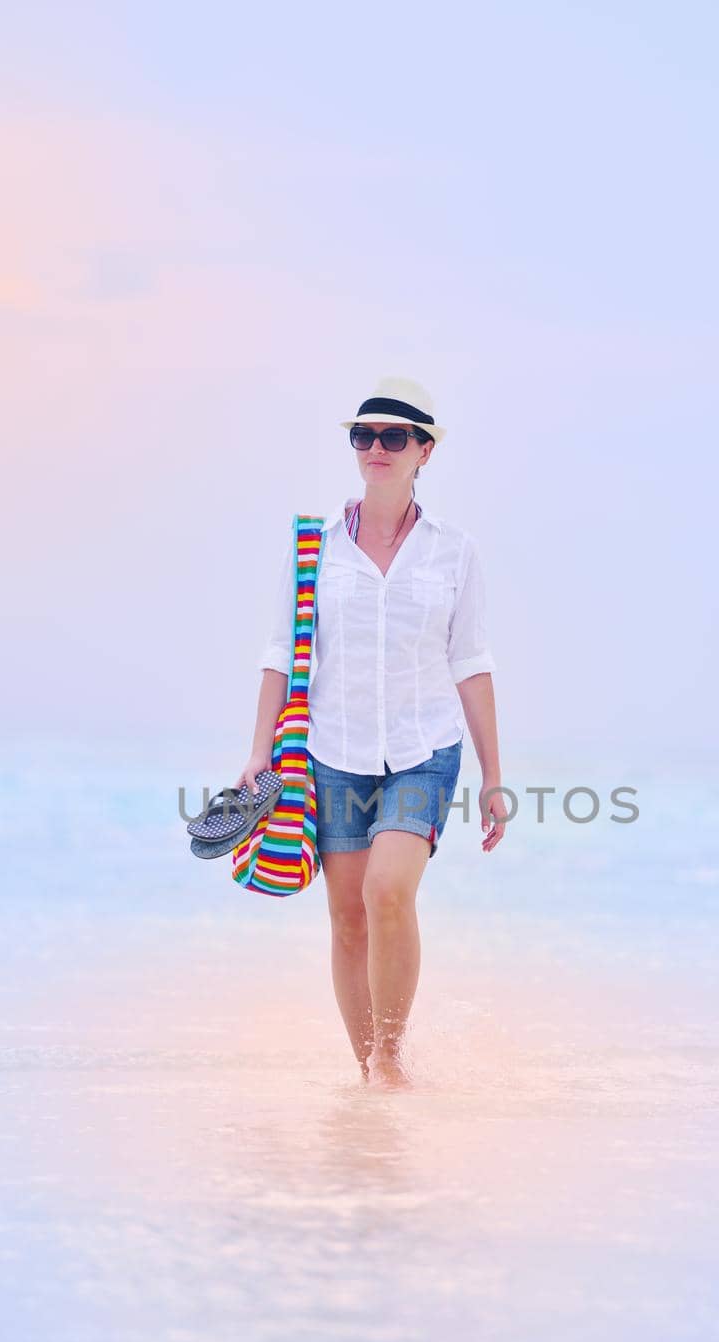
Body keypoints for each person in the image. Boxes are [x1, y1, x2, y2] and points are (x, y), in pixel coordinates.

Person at [237, 376, 507, 1082]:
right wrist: (258, 754)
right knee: (348, 916)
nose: (377, 448)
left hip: (426, 750)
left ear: (425, 452)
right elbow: (281, 652)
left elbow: (471, 663)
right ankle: (369, 1073)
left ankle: (391, 1054)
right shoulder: (313, 547)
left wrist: (494, 778)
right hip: (335, 751)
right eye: (365, 435)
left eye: (394, 437)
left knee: (388, 890)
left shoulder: (455, 551)